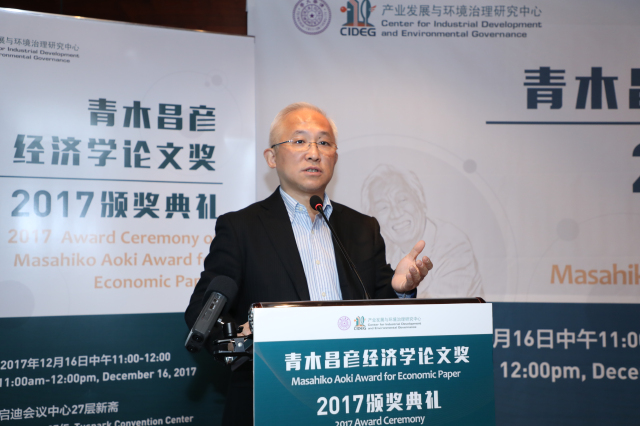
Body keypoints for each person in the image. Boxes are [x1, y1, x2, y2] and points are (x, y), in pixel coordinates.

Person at [185, 103, 433, 426]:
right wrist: (239, 339)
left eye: (324, 143)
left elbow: (379, 311)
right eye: (299, 141)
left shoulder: (363, 227)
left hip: (353, 401)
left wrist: (399, 291)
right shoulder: (241, 228)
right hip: (272, 399)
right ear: (272, 157)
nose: (314, 153)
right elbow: (202, 310)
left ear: (335, 157)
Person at [361, 164, 483, 298]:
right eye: (383, 207)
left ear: (421, 200)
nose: (396, 214)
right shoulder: (382, 251)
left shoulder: (454, 244)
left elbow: (439, 307)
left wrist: (402, 292)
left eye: (402, 200)